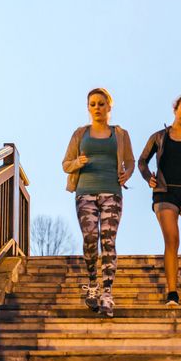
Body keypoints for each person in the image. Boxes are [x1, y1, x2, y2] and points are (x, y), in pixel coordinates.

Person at [62, 88, 135, 317]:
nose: (97, 108)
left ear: (109, 107)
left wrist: (127, 174)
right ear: (88, 108)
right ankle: (93, 282)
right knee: (91, 238)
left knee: (109, 241)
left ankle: (107, 294)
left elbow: (130, 161)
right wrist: (77, 162)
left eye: (101, 104)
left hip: (111, 192)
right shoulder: (80, 134)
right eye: (92, 104)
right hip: (85, 192)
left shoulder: (120, 134)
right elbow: (65, 164)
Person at [138, 94, 181, 306]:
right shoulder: (159, 137)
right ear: (175, 109)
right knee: (172, 239)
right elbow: (142, 161)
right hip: (164, 192)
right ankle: (172, 292)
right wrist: (147, 176)